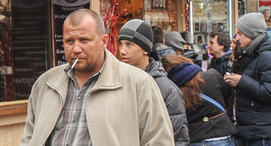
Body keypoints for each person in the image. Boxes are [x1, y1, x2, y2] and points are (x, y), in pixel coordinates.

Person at [21, 9, 174, 145]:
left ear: (104, 42)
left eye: (84, 40)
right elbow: (29, 137)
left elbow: (159, 140)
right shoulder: (46, 84)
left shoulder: (138, 84)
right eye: (69, 41)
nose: (76, 49)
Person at [118, 19, 191, 146]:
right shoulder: (116, 83)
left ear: (145, 49)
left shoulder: (166, 89)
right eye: (120, 44)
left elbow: (177, 138)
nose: (122, 51)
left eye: (129, 44)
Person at [225, 12, 271, 146]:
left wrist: (241, 81)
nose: (237, 38)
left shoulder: (269, 57)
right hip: (253, 127)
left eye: (240, 33)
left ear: (251, 34)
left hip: (262, 130)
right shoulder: (252, 53)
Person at [162, 54, 238, 145]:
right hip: (221, 133)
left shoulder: (174, 90)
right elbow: (228, 95)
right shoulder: (212, 75)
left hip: (195, 137)